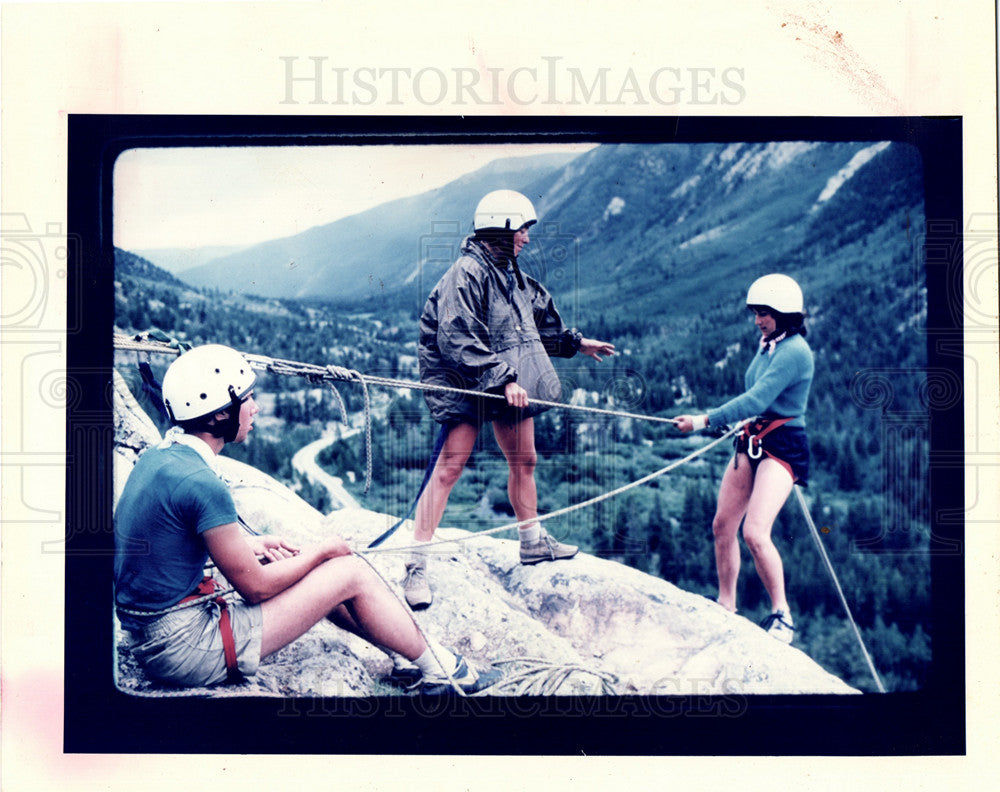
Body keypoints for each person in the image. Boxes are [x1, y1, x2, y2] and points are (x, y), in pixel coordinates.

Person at [114, 343, 500, 693]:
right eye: (247, 399)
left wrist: (249, 546)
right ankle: (443, 672)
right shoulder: (202, 482)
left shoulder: (159, 458)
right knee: (347, 571)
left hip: (158, 637)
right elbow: (257, 589)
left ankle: (404, 654)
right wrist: (321, 553)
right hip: (189, 649)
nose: (256, 408)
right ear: (219, 416)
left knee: (314, 574)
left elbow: (164, 543)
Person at [404, 189, 616, 610]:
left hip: (502, 378)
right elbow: (457, 337)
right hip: (463, 376)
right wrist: (502, 379)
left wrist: (576, 343)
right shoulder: (466, 273)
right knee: (450, 468)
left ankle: (532, 542)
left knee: (525, 460)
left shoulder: (511, 274)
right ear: (500, 229)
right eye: (522, 229)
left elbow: (535, 321)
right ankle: (415, 566)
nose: (526, 238)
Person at [674, 274, 814, 644]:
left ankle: (782, 614)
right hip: (754, 436)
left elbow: (757, 399)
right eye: (755, 313)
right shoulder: (769, 342)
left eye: (764, 313)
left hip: (783, 443)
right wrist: (736, 422)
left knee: (754, 532)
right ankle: (726, 604)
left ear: (784, 314)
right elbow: (754, 395)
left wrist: (704, 421)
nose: (757, 320)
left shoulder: (796, 351)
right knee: (723, 526)